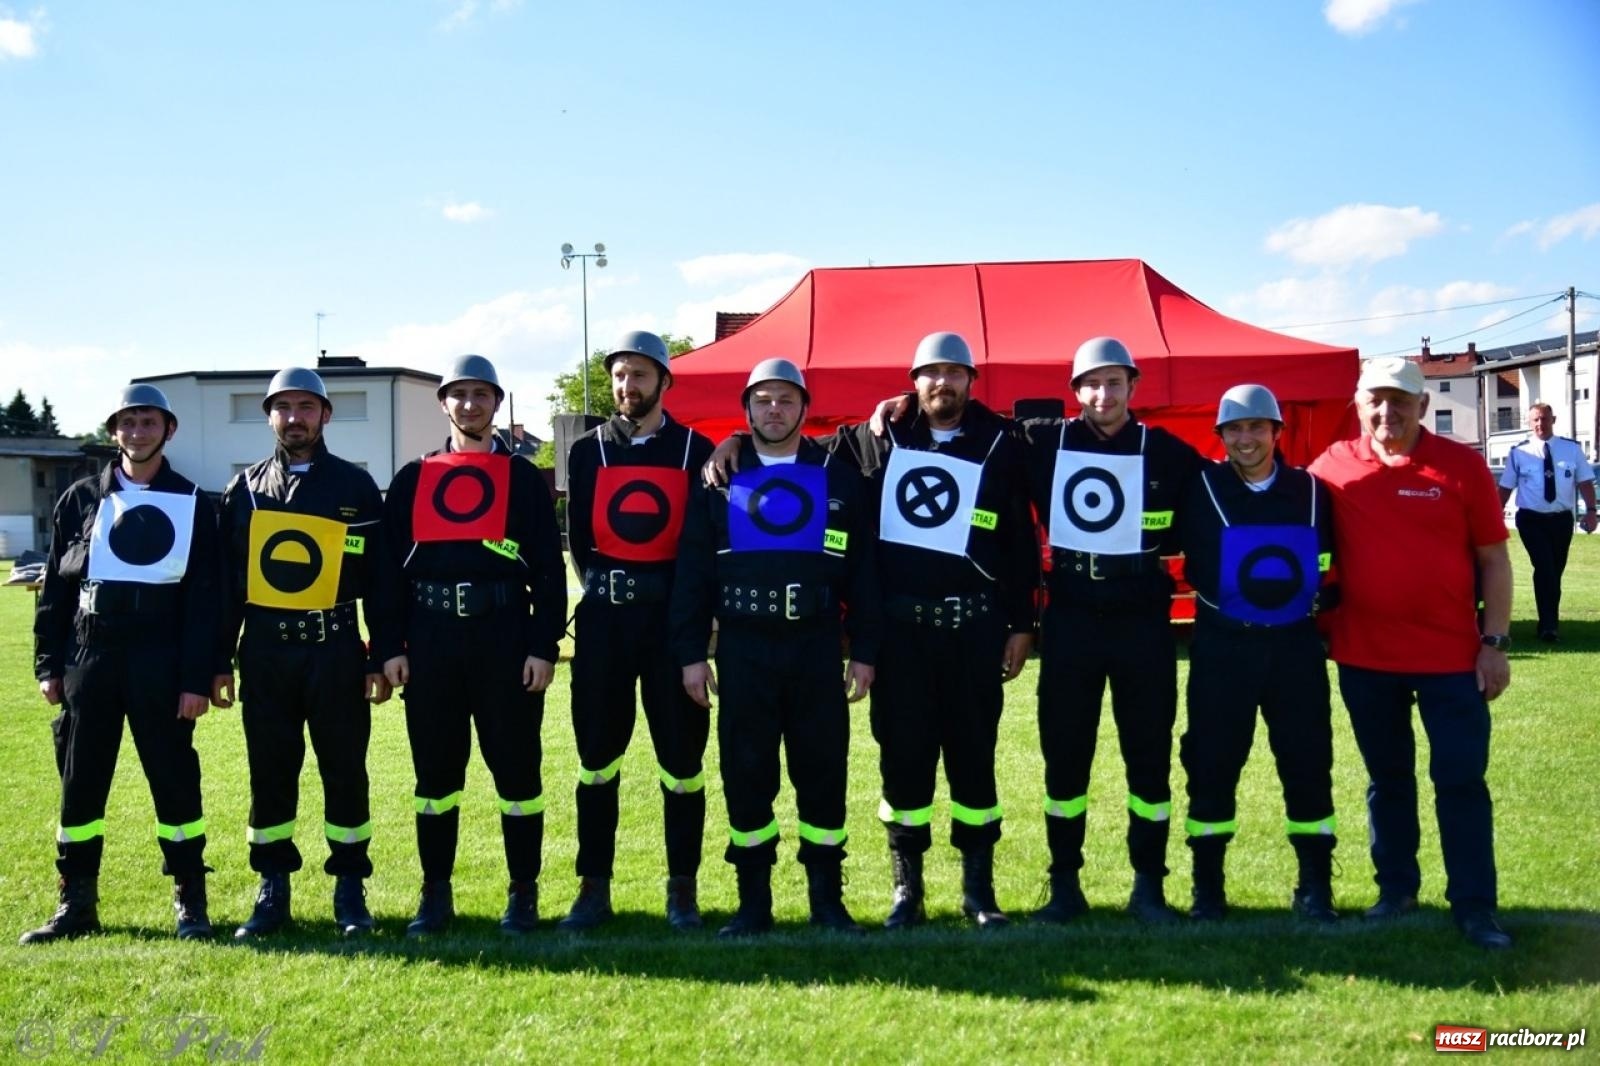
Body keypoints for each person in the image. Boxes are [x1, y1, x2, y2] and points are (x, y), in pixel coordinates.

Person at [829, 332, 1037, 930]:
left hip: (973, 631)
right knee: (904, 760)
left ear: (972, 379)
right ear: (913, 381)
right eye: (931, 373)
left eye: (954, 373)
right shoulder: (877, 437)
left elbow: (1020, 544)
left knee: (975, 758)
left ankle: (980, 893)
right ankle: (907, 892)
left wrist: (1022, 622)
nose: (942, 384)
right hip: (901, 637)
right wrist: (737, 440)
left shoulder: (1003, 442)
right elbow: (797, 451)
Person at [670, 358, 882, 938]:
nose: (774, 410)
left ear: (804, 408)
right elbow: (693, 573)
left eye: (786, 400)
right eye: (762, 401)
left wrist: (864, 650)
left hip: (815, 646)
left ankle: (827, 904)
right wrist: (692, 653)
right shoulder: (721, 477)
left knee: (823, 772)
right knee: (746, 773)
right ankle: (753, 905)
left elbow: (863, 572)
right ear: (746, 410)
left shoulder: (838, 476)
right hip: (744, 648)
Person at [1309, 357, 1514, 951]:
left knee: (1461, 781)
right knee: (1387, 781)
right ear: (1358, 404)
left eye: (1400, 400)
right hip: (1365, 658)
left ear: (1423, 406)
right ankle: (1396, 890)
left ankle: (1476, 907)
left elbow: (1494, 559)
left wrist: (1494, 643)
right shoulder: (1331, 467)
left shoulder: (1462, 466)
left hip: (1453, 660)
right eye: (1375, 399)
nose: (1387, 411)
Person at [23, 384, 222, 943]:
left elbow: (206, 598)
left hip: (161, 655)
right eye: (128, 422)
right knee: (80, 784)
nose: (138, 432)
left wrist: (194, 679)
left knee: (174, 780)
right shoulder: (80, 498)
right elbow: (55, 592)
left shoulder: (192, 502)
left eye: (149, 422)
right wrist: (48, 666)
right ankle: (76, 903)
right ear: (114, 431)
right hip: (92, 652)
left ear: (168, 430)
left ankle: (190, 900)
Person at [377, 354, 566, 936]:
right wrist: (389, 646)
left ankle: (523, 892)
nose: (470, 405)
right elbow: (385, 572)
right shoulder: (413, 477)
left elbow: (549, 572)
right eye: (459, 395)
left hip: (505, 640)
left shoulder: (523, 482)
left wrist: (543, 645)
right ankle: (435, 895)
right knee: (435, 777)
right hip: (431, 642)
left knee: (517, 773)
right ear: (443, 404)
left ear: (497, 403)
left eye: (482, 395)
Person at [1021, 338, 1204, 925]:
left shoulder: (1168, 452)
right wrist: (897, 401)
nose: (1104, 394)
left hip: (1141, 622)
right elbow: (968, 426)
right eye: (1092, 383)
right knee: (1064, 757)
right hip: (1071, 618)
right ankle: (1064, 885)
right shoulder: (1046, 441)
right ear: (1075, 391)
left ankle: (1149, 885)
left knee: (1148, 755)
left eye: (1115, 382)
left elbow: (1215, 508)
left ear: (1133, 387)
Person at [213, 367, 393, 939]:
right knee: (270, 773)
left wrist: (380, 653)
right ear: (270, 415)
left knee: (345, 771)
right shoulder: (242, 491)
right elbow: (226, 586)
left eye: (306, 408)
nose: (295, 418)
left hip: (334, 648)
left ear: (325, 415)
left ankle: (350, 890)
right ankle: (273, 891)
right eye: (283, 408)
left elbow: (380, 578)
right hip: (266, 652)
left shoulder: (354, 487)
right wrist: (219, 660)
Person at [558, 331, 715, 932]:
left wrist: (694, 633)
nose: (628, 387)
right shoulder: (588, 450)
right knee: (596, 760)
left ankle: (683, 891)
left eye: (640, 376)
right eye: (620, 376)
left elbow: (700, 553)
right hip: (604, 626)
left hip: (672, 627)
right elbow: (581, 541)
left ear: (664, 382)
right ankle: (593, 889)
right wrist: (608, 594)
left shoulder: (695, 451)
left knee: (682, 761)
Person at [1177, 384, 1339, 924]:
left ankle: (1315, 885)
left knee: (1308, 760)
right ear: (1220, 436)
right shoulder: (1198, 487)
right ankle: (1207, 888)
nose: (1246, 439)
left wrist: (1326, 594)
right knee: (1211, 761)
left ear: (1277, 431)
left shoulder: (1312, 491)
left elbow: (1332, 567)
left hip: (1294, 647)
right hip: (1224, 645)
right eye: (1234, 429)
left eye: (1256, 428)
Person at [1496, 401, 1597, 643]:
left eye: (1544, 419)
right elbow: (1505, 487)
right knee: (1545, 568)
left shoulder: (1570, 450)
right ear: (1530, 423)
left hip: (1561, 520)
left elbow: (1584, 482)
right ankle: (1549, 627)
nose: (1540, 423)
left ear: (1553, 420)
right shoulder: (1519, 452)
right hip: (1531, 520)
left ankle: (1548, 621)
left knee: (1555, 571)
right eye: (1536, 420)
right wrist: (1495, 515)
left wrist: (1591, 511)